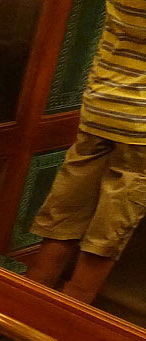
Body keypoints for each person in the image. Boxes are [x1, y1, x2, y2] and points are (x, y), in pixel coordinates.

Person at [25, 0, 146, 303]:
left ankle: (26, 302)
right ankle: (70, 314)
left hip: (100, 104)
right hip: (141, 125)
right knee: (111, 225)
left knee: (66, 206)